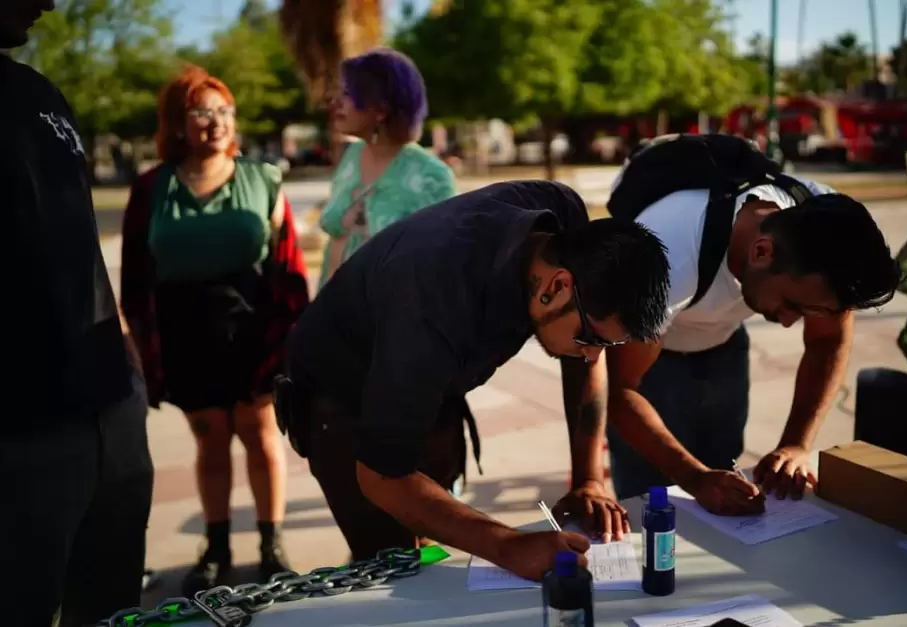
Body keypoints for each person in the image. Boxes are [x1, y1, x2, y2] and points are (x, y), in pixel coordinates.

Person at [278, 180, 672, 581]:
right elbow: (381, 476)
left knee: (433, 544)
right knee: (395, 571)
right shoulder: (433, 303)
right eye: (590, 340)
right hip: (342, 397)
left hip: (428, 376)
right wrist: (506, 545)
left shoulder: (565, 227)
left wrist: (589, 480)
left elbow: (585, 356)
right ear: (556, 287)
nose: (592, 356)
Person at [576, 134, 900, 514]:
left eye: (807, 311)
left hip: (725, 347)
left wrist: (796, 444)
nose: (788, 323)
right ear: (762, 251)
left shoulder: (826, 234)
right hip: (650, 371)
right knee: (653, 505)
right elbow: (618, 390)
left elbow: (827, 342)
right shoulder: (665, 257)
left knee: (726, 488)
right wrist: (694, 478)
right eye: (792, 305)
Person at [120, 65, 310, 594]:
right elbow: (135, 277)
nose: (215, 121)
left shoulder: (264, 179)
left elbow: (290, 268)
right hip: (184, 335)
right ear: (177, 124)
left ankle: (272, 546)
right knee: (210, 440)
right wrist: (136, 345)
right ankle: (217, 545)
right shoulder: (151, 188)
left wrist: (294, 343)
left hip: (256, 329)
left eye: (223, 111)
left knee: (259, 434)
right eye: (201, 112)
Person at [0, 2, 154, 625]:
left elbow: (74, 238)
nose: (51, 3)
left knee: (113, 611)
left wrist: (124, 355)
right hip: (19, 437)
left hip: (110, 413)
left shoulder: (38, 90)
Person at [317, 48, 456, 289]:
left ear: (380, 109)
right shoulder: (350, 157)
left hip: (394, 320)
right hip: (332, 316)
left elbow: (443, 266)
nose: (335, 101)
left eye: (348, 93)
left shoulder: (432, 176)